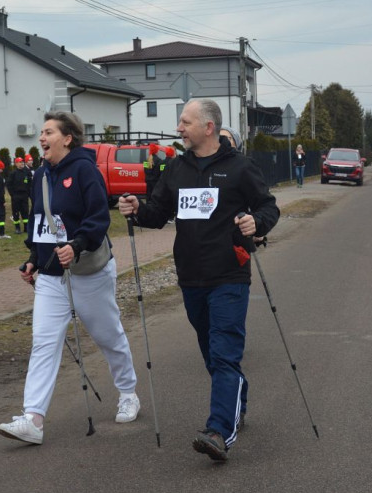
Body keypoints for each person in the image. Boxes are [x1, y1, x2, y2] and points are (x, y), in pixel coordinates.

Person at [119, 99, 279, 462]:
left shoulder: (240, 168)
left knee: (224, 353)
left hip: (229, 275)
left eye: (185, 122)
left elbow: (269, 207)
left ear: (208, 127)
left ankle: (219, 431)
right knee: (212, 353)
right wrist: (135, 208)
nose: (179, 128)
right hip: (191, 278)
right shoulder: (177, 169)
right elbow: (157, 213)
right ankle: (236, 397)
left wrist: (258, 223)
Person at [0, 111, 140, 446]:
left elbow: (98, 217)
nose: (41, 139)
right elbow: (39, 222)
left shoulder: (84, 170)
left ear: (67, 138)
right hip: (51, 276)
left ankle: (128, 391)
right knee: (44, 342)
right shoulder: (40, 175)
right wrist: (33, 259)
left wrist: (76, 246)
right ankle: (33, 418)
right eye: (41, 133)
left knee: (107, 336)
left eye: (48, 132)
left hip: (89, 270)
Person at [6, 156, 32, 234]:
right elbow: (9, 184)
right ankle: (17, 228)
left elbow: (30, 183)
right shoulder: (13, 173)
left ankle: (26, 227)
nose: (22, 163)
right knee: (16, 212)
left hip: (24, 195)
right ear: (16, 163)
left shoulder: (26, 172)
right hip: (16, 196)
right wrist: (12, 194)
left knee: (25, 212)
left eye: (22, 162)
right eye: (20, 162)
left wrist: (28, 193)